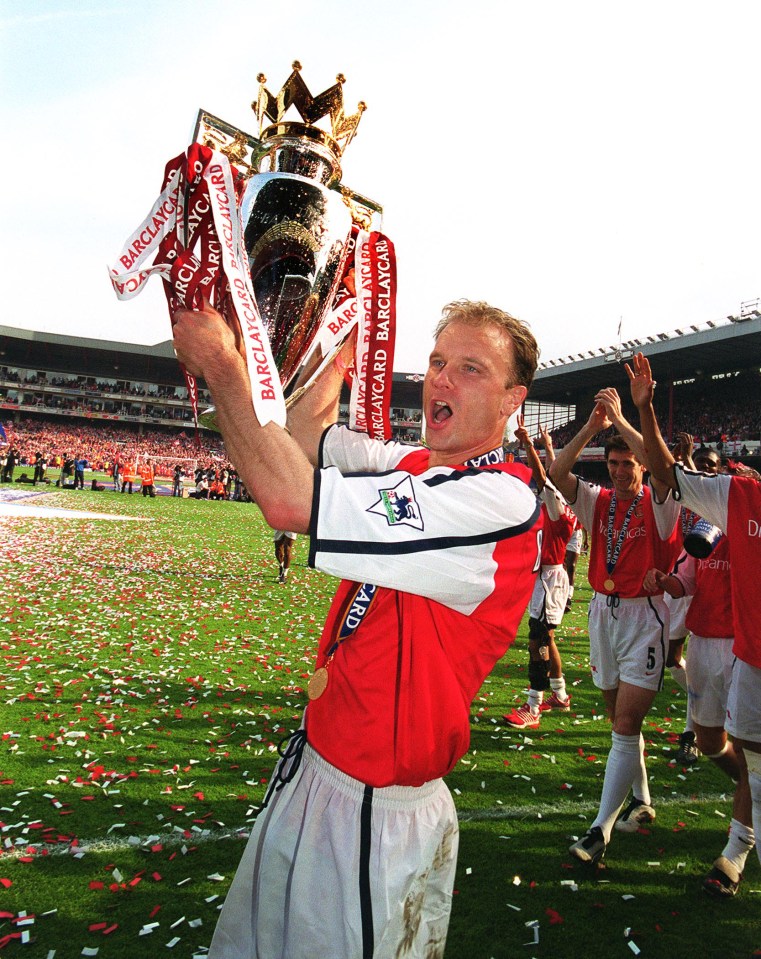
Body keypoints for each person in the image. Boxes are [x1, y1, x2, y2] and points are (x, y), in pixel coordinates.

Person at [173, 297, 543, 959]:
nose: (440, 380)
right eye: (435, 362)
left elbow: (288, 499)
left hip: (378, 812)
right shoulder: (417, 465)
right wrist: (333, 330)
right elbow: (305, 434)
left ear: (513, 397)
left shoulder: (500, 500)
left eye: (469, 369)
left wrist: (225, 368)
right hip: (319, 770)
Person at [625, 351, 761, 907]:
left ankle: (733, 850)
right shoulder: (741, 500)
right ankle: (739, 844)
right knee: (748, 759)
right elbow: (666, 473)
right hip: (747, 658)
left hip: (737, 651)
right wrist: (646, 410)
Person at [548, 389, 680, 864]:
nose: (622, 470)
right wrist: (590, 428)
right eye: (615, 462)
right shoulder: (598, 500)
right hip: (603, 613)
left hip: (645, 617)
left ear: (641, 465)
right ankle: (643, 802)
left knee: (625, 723)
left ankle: (600, 830)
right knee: (619, 721)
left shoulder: (661, 503)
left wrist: (625, 420)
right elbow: (557, 474)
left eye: (630, 462)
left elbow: (662, 467)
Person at [504, 421, 575, 729]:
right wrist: (546, 446)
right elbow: (551, 474)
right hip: (546, 577)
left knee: (538, 642)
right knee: (547, 637)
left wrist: (529, 445)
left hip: (550, 578)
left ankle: (533, 706)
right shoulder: (562, 506)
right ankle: (559, 695)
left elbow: (545, 478)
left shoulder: (557, 507)